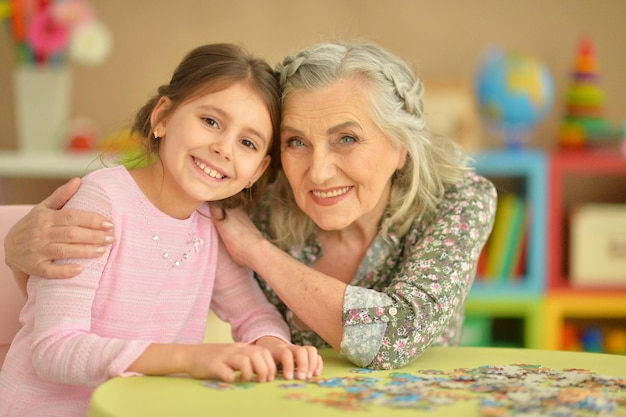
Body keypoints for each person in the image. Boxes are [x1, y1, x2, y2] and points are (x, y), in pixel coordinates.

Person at [4, 40, 496, 371]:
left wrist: (256, 250)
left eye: (347, 138)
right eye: (296, 142)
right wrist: (15, 244)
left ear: (401, 146)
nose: (319, 172)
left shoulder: (459, 200)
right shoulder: (241, 191)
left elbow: (394, 333)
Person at [0, 43, 322, 417]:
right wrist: (188, 358)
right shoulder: (101, 202)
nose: (223, 148)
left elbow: (253, 315)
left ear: (257, 172)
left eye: (247, 143)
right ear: (163, 117)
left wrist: (273, 346)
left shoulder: (211, 224)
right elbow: (53, 350)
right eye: (211, 121)